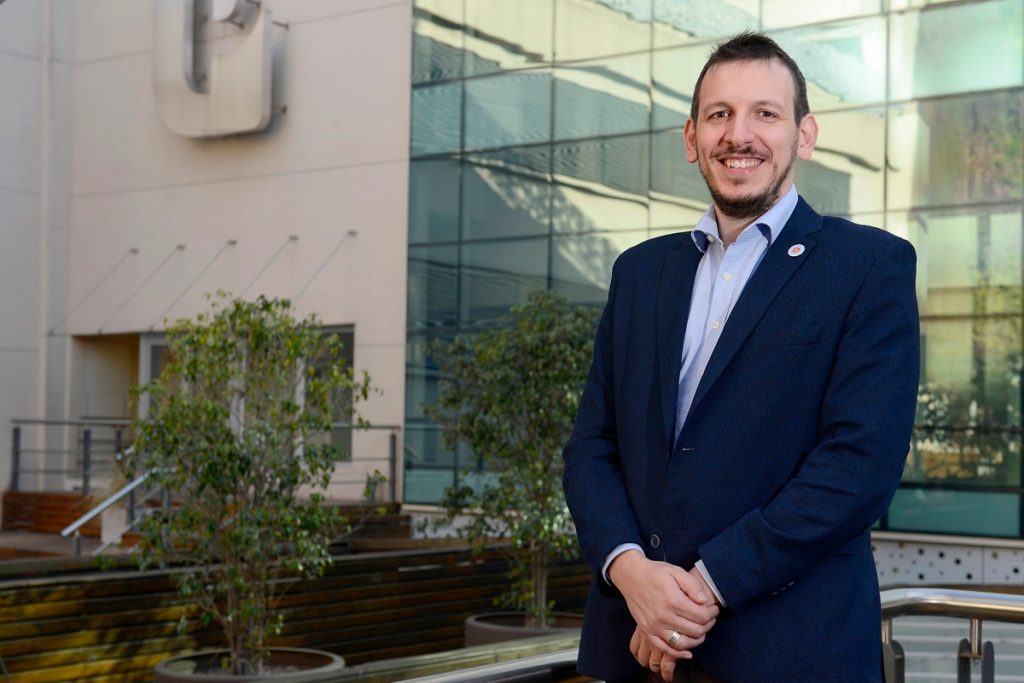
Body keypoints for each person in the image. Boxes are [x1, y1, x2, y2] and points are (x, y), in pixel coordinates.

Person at [562, 32, 919, 683]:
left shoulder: (870, 266)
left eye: (766, 113)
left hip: (791, 654)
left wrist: (705, 586)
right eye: (719, 114)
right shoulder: (639, 273)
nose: (739, 134)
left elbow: (858, 466)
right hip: (639, 646)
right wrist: (630, 571)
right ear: (691, 136)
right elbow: (592, 446)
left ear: (804, 135)